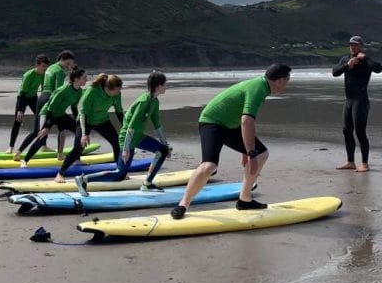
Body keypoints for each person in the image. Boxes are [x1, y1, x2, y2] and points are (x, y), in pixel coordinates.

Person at [170, 64, 291, 220]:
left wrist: (245, 151)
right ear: (280, 80)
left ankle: (244, 200)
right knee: (209, 166)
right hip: (212, 122)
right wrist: (251, 153)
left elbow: (242, 119)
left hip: (230, 126)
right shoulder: (258, 88)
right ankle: (183, 204)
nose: (287, 84)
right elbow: (247, 121)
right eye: (287, 81)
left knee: (263, 154)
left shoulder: (261, 86)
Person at [77, 70, 172, 193]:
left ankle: (147, 184)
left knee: (163, 150)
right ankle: (84, 179)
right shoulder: (143, 102)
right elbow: (130, 127)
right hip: (127, 137)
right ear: (159, 86)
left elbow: (158, 126)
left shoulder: (154, 101)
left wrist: (165, 144)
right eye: (165, 84)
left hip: (138, 137)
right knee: (120, 174)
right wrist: (126, 148)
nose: (166, 87)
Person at [332, 36, 382, 173]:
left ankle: (365, 164)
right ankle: (350, 162)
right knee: (346, 130)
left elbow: (378, 69)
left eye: (355, 45)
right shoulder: (345, 59)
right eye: (350, 44)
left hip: (361, 100)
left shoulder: (366, 60)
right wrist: (348, 64)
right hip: (348, 100)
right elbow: (334, 73)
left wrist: (364, 58)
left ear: (361, 46)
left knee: (360, 131)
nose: (352, 47)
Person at [20, 67, 87, 167]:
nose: (86, 79)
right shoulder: (63, 90)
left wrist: (78, 122)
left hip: (60, 114)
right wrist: (46, 127)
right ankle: (25, 160)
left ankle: (76, 159)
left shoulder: (79, 91)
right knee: (42, 137)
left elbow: (74, 108)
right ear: (76, 79)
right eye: (84, 77)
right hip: (48, 114)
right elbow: (51, 108)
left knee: (80, 133)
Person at [15, 49, 74, 159]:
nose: (69, 65)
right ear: (63, 60)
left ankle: (18, 152)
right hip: (50, 99)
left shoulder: (51, 67)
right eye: (68, 63)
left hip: (42, 98)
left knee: (37, 130)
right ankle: (60, 155)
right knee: (60, 128)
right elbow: (58, 90)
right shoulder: (60, 71)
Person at [72, 74, 125, 191]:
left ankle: (119, 170)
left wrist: (126, 127)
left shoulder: (117, 94)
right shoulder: (92, 91)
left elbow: (119, 112)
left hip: (102, 120)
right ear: (109, 89)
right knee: (78, 147)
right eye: (117, 91)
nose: (118, 93)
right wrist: (85, 134)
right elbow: (83, 113)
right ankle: (63, 171)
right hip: (86, 120)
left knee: (116, 143)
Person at [6, 54, 50, 154]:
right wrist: (20, 110)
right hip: (23, 98)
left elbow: (44, 89)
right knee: (17, 121)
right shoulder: (28, 75)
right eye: (43, 66)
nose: (45, 68)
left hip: (33, 98)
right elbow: (22, 93)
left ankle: (43, 145)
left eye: (46, 66)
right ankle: (11, 147)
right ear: (37, 65)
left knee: (42, 119)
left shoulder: (43, 75)